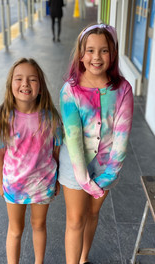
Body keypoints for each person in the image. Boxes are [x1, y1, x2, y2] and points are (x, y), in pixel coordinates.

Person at [58, 23, 134, 264]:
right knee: (75, 219)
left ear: (113, 54)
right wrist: (85, 181)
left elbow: (121, 138)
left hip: (106, 166)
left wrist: (108, 175)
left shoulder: (123, 89)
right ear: (81, 54)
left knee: (92, 213)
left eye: (104, 50)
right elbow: (72, 138)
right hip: (75, 164)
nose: (96, 57)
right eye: (90, 50)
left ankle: (83, 258)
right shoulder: (70, 90)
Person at [0, 58, 62, 264]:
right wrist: (0, 182)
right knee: (15, 229)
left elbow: (56, 150)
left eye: (32, 79)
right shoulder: (3, 116)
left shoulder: (51, 118)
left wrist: (56, 180)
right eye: (19, 79)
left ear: (41, 86)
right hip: (14, 184)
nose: (25, 84)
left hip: (42, 183)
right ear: (11, 85)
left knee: (39, 225)